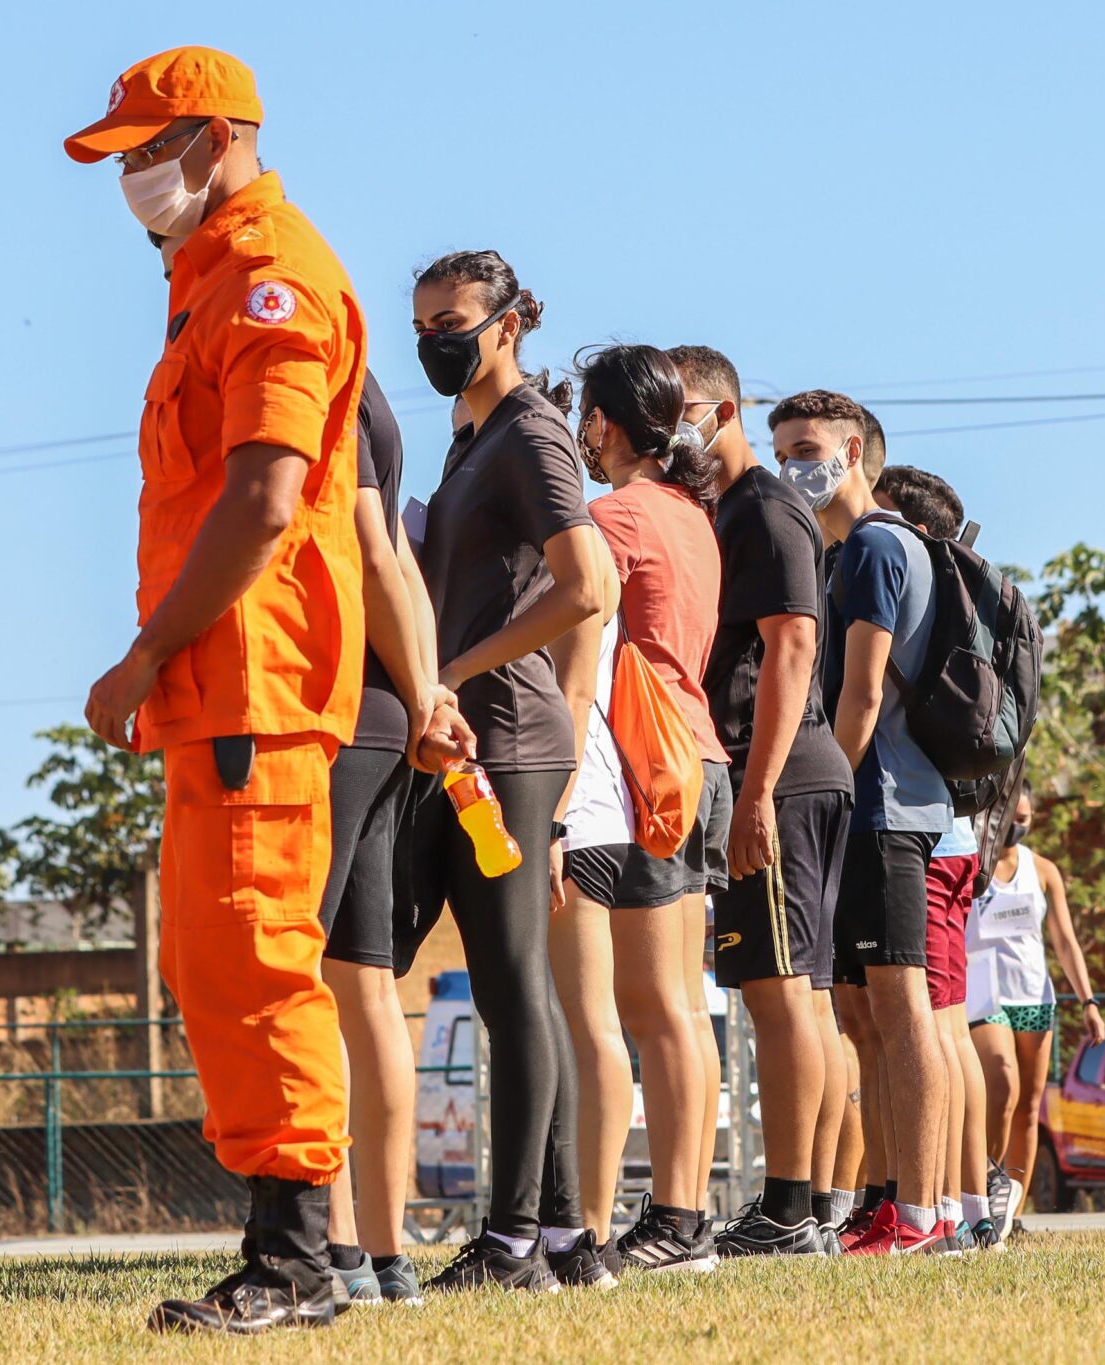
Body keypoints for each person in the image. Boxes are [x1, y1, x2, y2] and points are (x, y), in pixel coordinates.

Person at [66, 46, 366, 1333]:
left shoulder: (270, 279)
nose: (131, 175)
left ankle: (297, 1263)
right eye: (123, 155)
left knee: (256, 956)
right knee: (210, 960)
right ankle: (284, 1245)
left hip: (252, 678)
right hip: (214, 685)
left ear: (217, 139)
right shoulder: (207, 283)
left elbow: (264, 501)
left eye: (146, 149)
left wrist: (142, 654)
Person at [405, 249, 612, 1292]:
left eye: (452, 323)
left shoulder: (530, 434)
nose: (436, 342)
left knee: (517, 984)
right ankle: (566, 1239)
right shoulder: (471, 438)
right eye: (422, 329)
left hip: (511, 742)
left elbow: (589, 586)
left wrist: (452, 668)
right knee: (508, 986)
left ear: (509, 323)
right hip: (465, 742)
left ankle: (512, 1239)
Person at [679, 346, 859, 1259]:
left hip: (778, 776)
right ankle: (815, 1198)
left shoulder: (764, 507)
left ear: (721, 408)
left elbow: (791, 647)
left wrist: (754, 793)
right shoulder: (732, 511)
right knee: (803, 999)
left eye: (679, 409)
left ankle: (790, 1205)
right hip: (783, 774)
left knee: (780, 996)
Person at [560, 344, 732, 1273]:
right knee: (677, 1009)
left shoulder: (617, 514)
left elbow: (570, 611)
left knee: (651, 1006)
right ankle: (686, 1215)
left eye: (588, 415)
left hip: (649, 761)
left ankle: (672, 1220)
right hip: (698, 753)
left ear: (610, 424)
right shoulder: (689, 514)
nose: (583, 432)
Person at [775, 390, 951, 1255]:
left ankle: (920, 1209)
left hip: (880, 802)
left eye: (805, 447)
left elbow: (864, 688)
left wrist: (829, 791)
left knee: (900, 1002)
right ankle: (890, 1202)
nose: (791, 466)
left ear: (852, 451)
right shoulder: (855, 548)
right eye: (781, 451)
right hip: (878, 798)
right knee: (871, 1015)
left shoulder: (878, 544)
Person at [315, 371, 456, 1307]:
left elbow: (372, 549)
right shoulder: (375, 403)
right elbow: (401, 564)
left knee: (307, 984)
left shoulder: (314, 384)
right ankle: (386, 1253)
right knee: (366, 985)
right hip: (385, 714)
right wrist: (426, 694)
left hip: (332, 707)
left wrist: (423, 696)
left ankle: (327, 1242)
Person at [873, 463, 1000, 1251]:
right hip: (956, 836)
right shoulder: (964, 605)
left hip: (924, 836)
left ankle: (951, 1205)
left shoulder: (907, 587)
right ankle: (966, 1203)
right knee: (947, 1027)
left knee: (930, 1028)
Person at [966, 786, 1103, 1232]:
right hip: (984, 995)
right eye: (1012, 815)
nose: (1018, 824)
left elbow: (1064, 940)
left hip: (1033, 996)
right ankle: (982, 1191)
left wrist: (1088, 1001)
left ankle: (1014, 1213)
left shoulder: (1042, 870)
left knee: (1028, 1107)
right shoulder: (970, 865)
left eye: (1026, 817)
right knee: (1001, 1086)